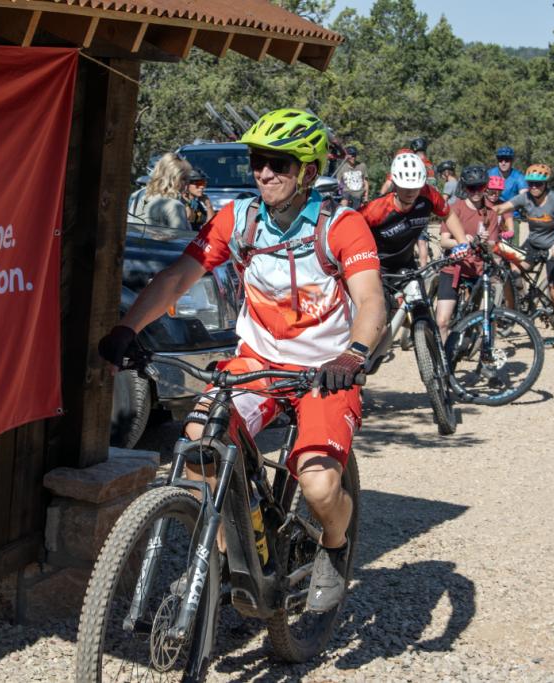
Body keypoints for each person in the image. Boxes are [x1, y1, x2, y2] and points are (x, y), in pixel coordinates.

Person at [98, 109, 385, 613]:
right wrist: (127, 328)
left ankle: (334, 549)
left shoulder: (342, 225)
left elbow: (371, 301)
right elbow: (175, 278)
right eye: (258, 161)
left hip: (325, 373)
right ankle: (242, 553)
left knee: (319, 485)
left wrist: (353, 353)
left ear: (308, 172)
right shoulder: (239, 220)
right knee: (200, 444)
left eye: (279, 163)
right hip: (257, 363)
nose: (264, 173)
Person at [494, 163, 554, 354]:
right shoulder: (525, 197)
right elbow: (502, 208)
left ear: (546, 184)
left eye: (538, 184)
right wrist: (484, 209)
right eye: (531, 183)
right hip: (533, 244)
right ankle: (518, 307)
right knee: (511, 270)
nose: (534, 187)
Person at [360, 152, 470, 274]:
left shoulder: (429, 194)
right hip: (377, 266)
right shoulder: (375, 209)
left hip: (407, 263)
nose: (411, 192)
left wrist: (462, 242)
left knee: (419, 291)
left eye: (416, 187)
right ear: (395, 183)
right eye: (405, 186)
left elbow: (448, 214)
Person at [434, 166, 508, 341]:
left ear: (485, 188)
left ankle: (486, 356)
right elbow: (444, 241)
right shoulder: (454, 209)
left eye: (480, 187)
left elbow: (493, 245)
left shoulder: (490, 213)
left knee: (487, 318)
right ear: (464, 188)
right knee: (442, 321)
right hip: (453, 268)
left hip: (478, 270)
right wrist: (464, 240)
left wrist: (485, 243)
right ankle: (443, 362)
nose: (476, 192)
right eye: (471, 188)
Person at [128, 152, 192, 230]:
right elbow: (181, 239)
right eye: (184, 178)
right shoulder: (174, 205)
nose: (187, 183)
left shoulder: (143, 197)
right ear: (172, 179)